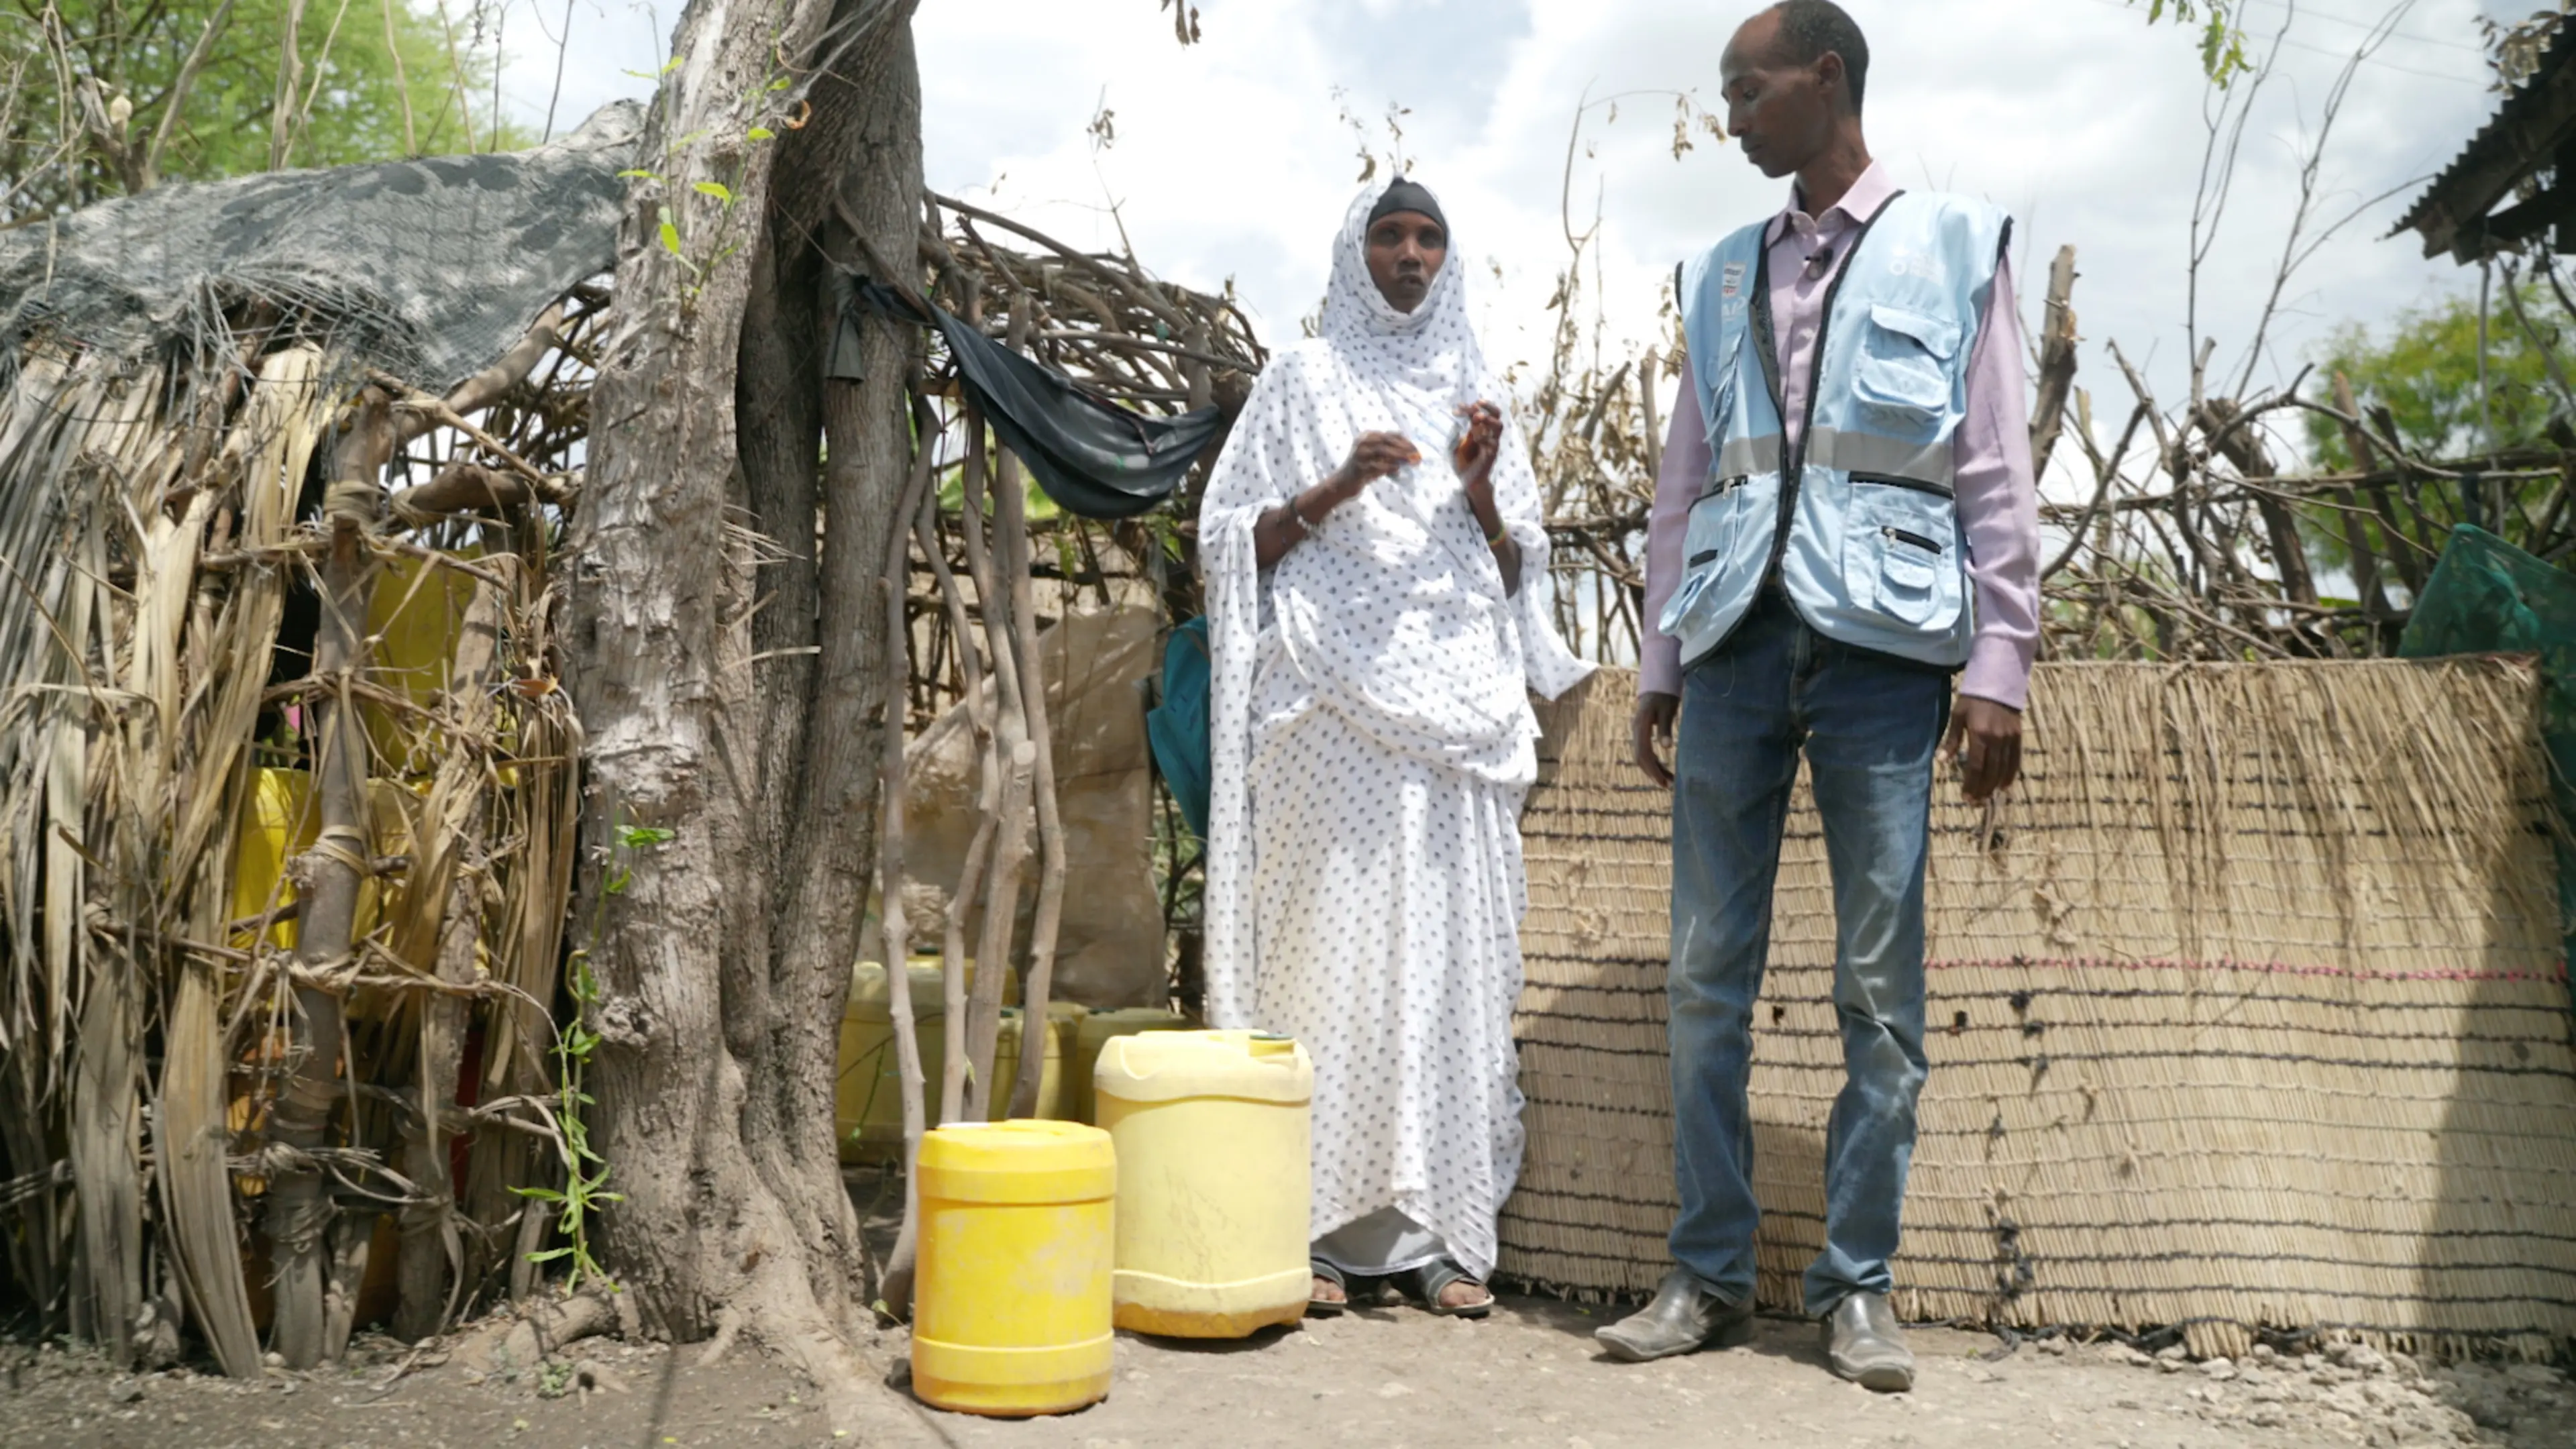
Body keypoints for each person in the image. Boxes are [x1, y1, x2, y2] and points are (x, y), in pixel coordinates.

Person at [1593, 0, 2039, 1391]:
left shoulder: (1959, 243)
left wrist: (2002, 660)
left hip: (1885, 654)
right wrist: (1662, 656)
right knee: (1705, 975)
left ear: (1825, 78)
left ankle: (1857, 1289)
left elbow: (1994, 464)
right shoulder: (1724, 270)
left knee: (1876, 985)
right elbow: (1685, 482)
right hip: (1733, 640)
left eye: (1747, 88)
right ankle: (1708, 1275)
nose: (1729, 116)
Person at [1198, 178, 1593, 1319]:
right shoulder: (1302, 380)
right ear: (1353, 253)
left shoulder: (1479, 396)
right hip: (1329, 709)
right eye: (1390, 237)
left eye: (1429, 239)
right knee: (1325, 955)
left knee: (1447, 969)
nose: (1410, 256)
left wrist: (1476, 493)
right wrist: (1341, 483)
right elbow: (1234, 546)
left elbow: (1518, 574)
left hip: (1458, 722)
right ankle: (1312, 1229)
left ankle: (1437, 1239)